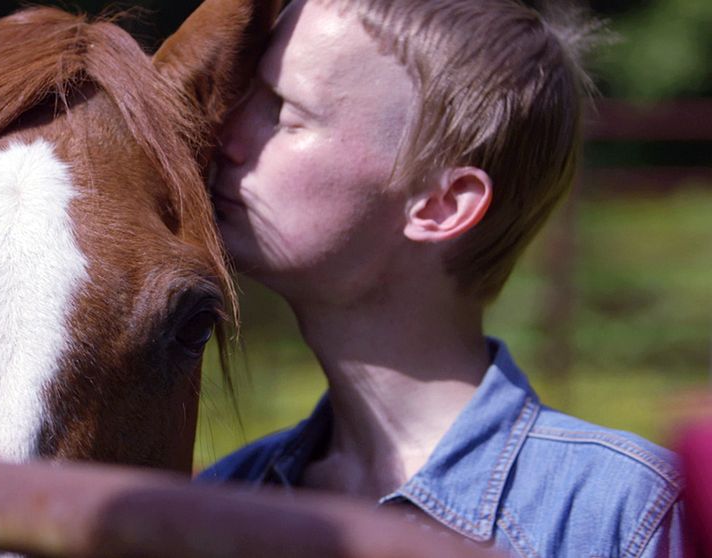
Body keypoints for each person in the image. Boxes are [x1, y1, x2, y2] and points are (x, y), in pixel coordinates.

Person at [199, 0, 686, 555]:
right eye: (244, 98)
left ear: (441, 204)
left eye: (283, 112)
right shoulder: (225, 497)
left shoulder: (619, 514)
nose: (225, 136)